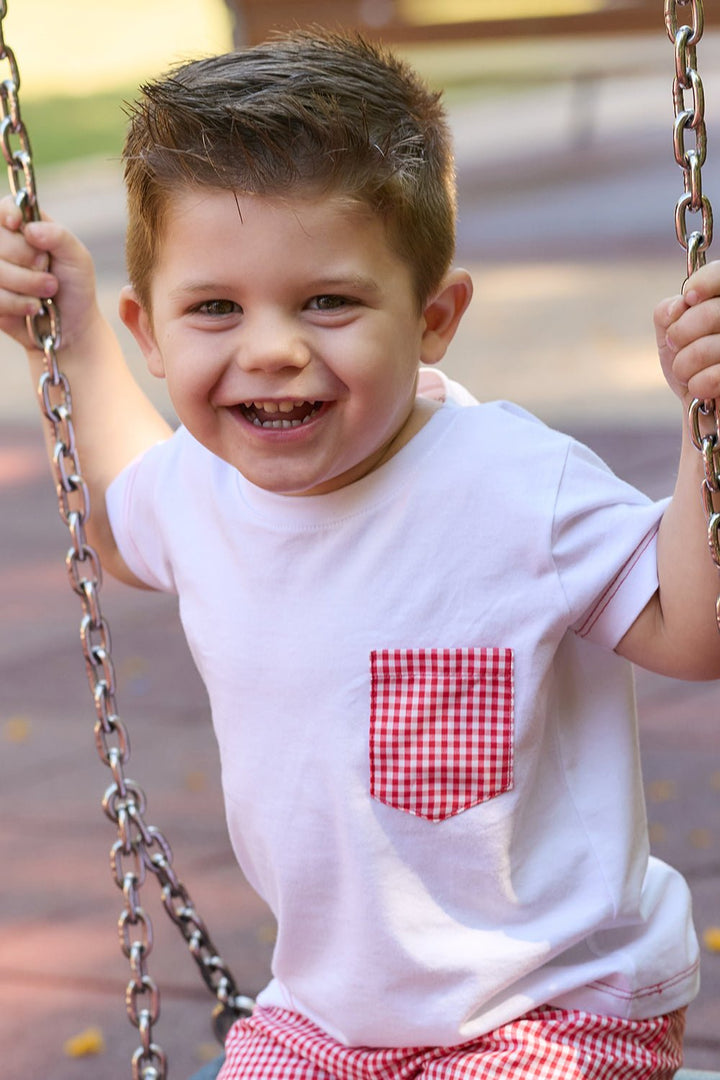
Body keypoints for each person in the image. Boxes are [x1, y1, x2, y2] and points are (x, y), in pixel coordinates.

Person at [1, 29, 719, 1080]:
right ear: (150, 332)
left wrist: (709, 430)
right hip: (330, 1011)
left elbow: (694, 632)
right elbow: (115, 518)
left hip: (554, 1001)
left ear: (433, 318)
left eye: (328, 301)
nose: (272, 348)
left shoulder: (514, 486)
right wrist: (65, 343)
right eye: (214, 309)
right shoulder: (201, 486)